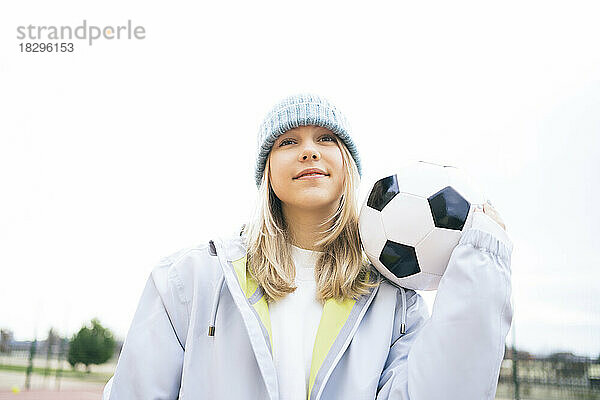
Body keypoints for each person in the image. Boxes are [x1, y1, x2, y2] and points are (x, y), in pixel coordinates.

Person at [102, 93, 514, 400]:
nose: (309, 151)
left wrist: (483, 262)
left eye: (326, 138)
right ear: (267, 171)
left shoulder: (393, 300)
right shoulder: (189, 280)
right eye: (287, 142)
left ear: (347, 165)